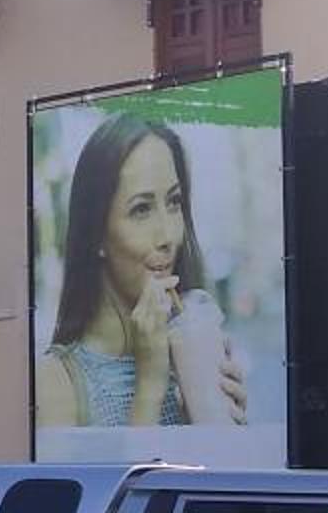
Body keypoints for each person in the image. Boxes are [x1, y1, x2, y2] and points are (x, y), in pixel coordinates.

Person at [34, 113, 250, 431]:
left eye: (174, 202)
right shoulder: (54, 383)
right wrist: (149, 385)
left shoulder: (192, 356)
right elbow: (116, 483)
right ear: (96, 235)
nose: (168, 236)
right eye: (141, 209)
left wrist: (222, 434)